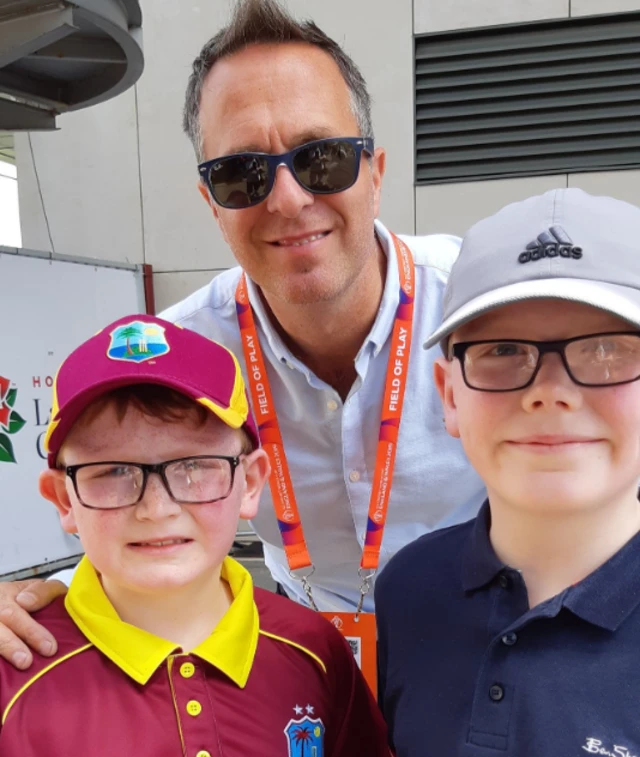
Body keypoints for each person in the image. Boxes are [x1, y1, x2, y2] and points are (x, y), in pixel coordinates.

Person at [0, 0, 484, 668]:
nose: (287, 199)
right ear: (210, 203)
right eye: (241, 174)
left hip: (483, 647)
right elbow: (131, 503)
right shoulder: (179, 354)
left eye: (322, 158)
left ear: (374, 174)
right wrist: (34, 597)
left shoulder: (483, 307)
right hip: (295, 659)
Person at [0, 313, 389, 755]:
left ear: (251, 484)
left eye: (193, 467)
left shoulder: (314, 650)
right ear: (63, 500)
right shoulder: (13, 672)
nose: (156, 508)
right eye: (112, 471)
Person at [375, 188, 640, 756]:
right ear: (449, 396)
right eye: (501, 351)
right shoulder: (408, 589)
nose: (549, 392)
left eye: (607, 349)